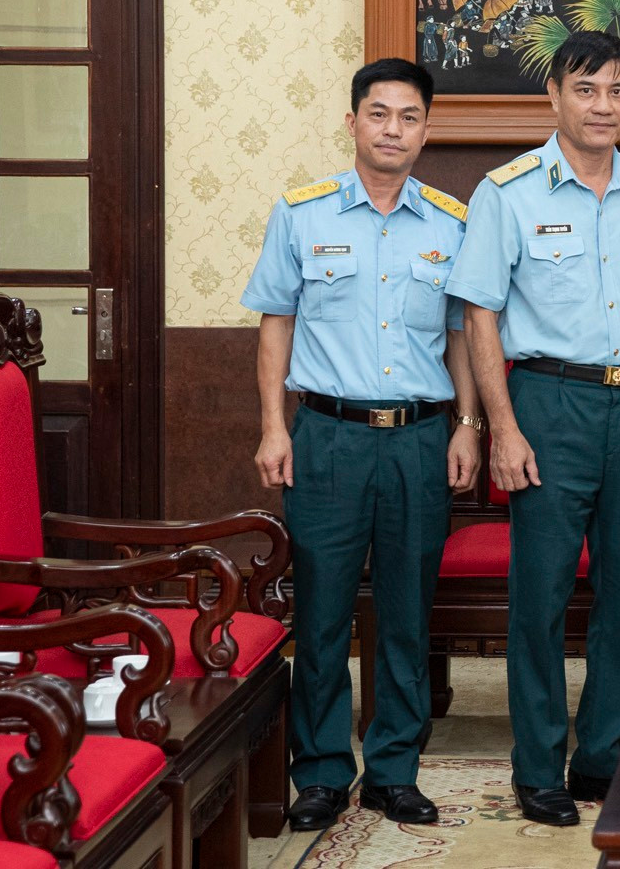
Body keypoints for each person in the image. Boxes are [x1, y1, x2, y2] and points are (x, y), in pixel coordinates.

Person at [447, 31, 620, 827]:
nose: (604, 106)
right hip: (548, 406)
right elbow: (479, 313)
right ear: (554, 95)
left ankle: (602, 758)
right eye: (587, 89)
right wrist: (503, 426)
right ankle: (538, 767)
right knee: (543, 595)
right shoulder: (508, 192)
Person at [242, 57, 482, 833]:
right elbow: (275, 320)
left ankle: (394, 771)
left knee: (410, 614)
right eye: (378, 114)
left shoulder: (451, 221)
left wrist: (467, 426)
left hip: (417, 440)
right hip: (328, 437)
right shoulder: (303, 213)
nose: (393, 130)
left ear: (425, 128)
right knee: (321, 615)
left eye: (408, 117)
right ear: (352, 123)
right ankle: (318, 773)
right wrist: (276, 426)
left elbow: (460, 339)